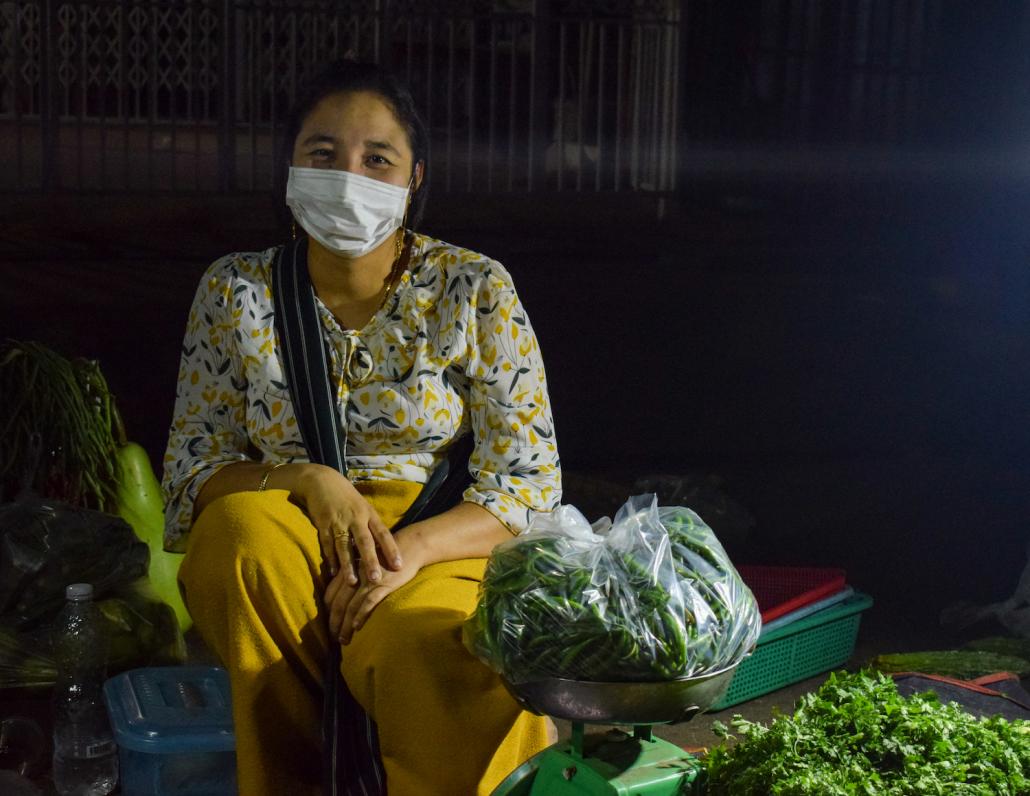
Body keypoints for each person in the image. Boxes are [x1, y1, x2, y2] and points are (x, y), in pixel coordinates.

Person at [161, 59, 561, 795]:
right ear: (290, 168)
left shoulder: (475, 287)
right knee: (235, 540)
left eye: (377, 158)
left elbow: (527, 482)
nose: (348, 174)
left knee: (429, 646)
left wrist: (405, 553)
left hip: (442, 541)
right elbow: (193, 469)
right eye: (323, 154)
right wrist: (310, 481)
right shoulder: (234, 289)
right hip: (294, 536)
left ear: (413, 179)